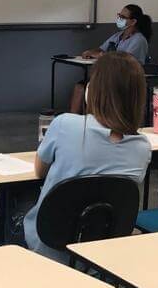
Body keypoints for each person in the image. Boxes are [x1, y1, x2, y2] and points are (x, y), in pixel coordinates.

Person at [24, 52, 151, 262]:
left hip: (50, 246)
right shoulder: (142, 146)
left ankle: (8, 261)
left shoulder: (65, 124)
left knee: (10, 197)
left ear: (91, 91)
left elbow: (40, 171)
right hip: (102, 253)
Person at [70, 4, 152, 112]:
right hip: (110, 75)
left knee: (91, 89)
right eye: (119, 15)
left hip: (125, 79)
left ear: (133, 22)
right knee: (80, 87)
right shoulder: (118, 36)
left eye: (123, 17)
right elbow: (101, 50)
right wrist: (90, 52)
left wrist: (103, 56)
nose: (119, 19)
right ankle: (73, 120)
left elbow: (125, 60)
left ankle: (93, 122)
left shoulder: (139, 40)